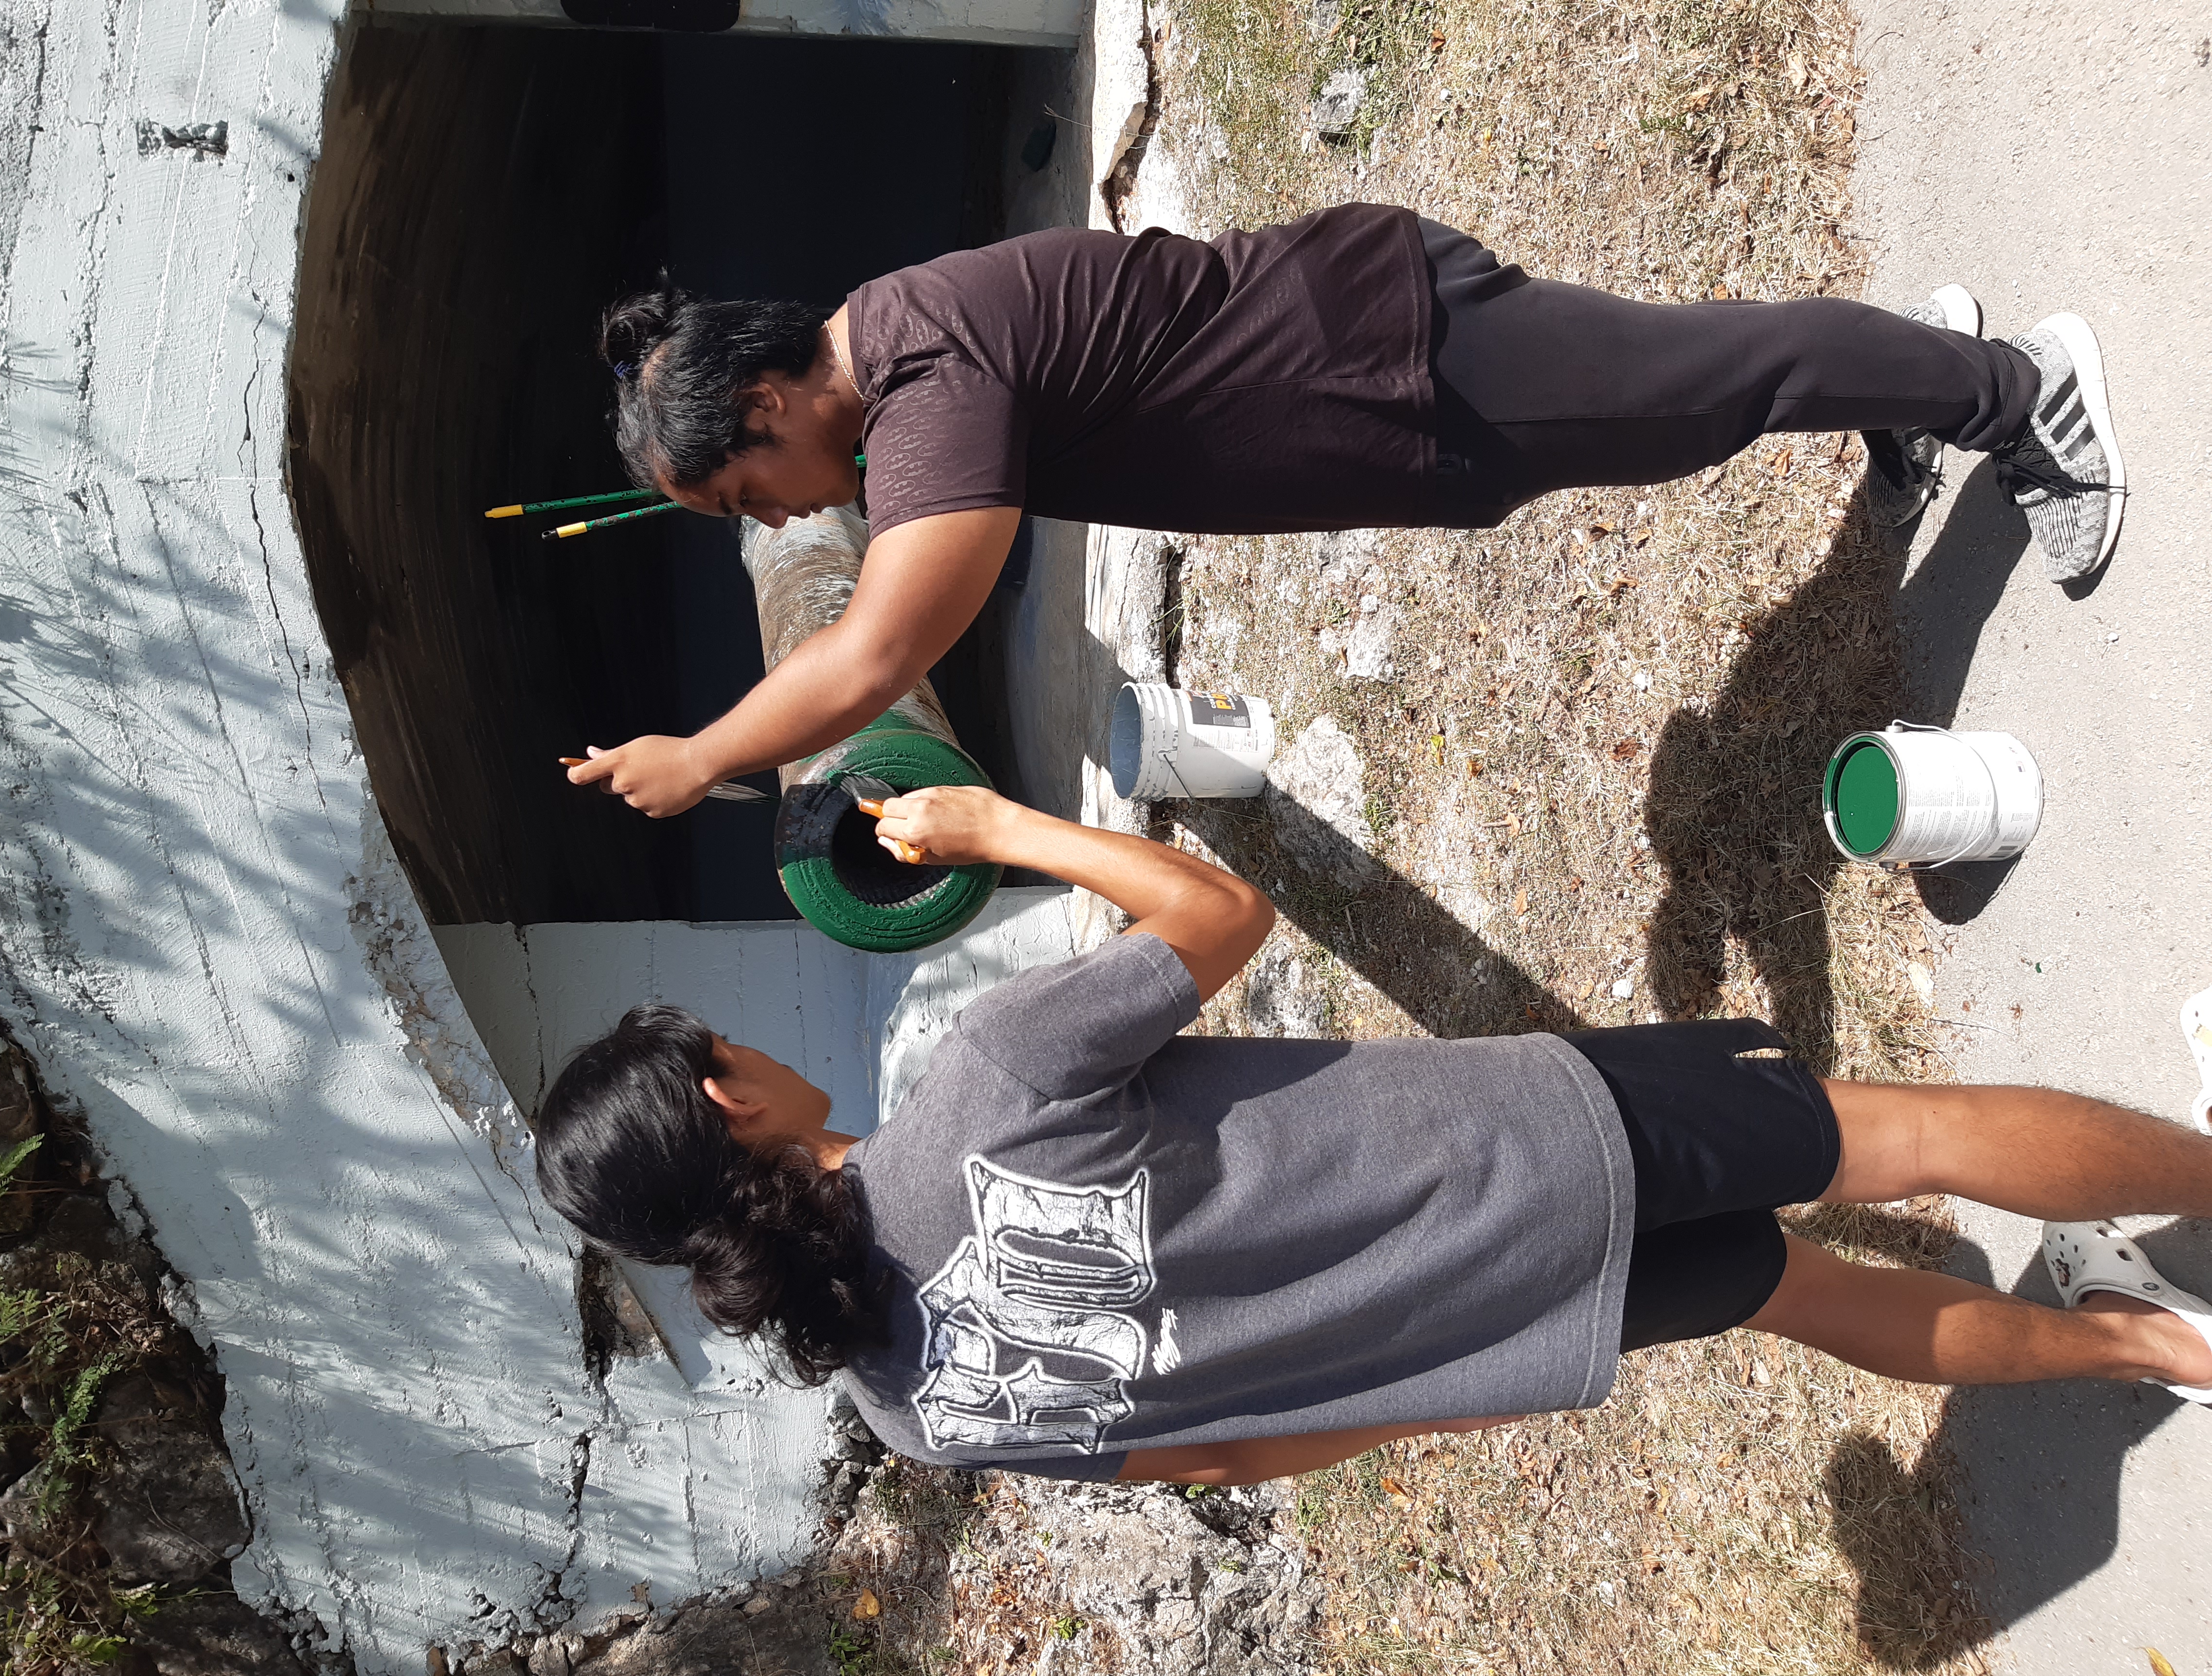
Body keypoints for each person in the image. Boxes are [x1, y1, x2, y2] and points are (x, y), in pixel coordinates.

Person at [532, 787, 2211, 1486]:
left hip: (1506, 1332)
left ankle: (2152, 1347)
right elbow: (1220, 912)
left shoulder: (916, 1418)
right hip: (1531, 1146)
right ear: (727, 1098)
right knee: (1898, 1138)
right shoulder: (981, 1086)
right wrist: (1001, 825)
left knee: (1804, 1295)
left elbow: (1222, 1456)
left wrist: (1442, 1388)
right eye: (721, 1046)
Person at [566, 207, 2125, 819]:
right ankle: (1907, 375)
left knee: (1699, 391)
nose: (778, 521)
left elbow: (884, 647)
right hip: (1375, 368)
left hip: (1399, 366)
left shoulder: (929, 385)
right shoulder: (899, 345)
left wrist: (705, 753)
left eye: (745, 496)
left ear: (764, 405)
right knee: (1693, 385)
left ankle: (2017, 391)